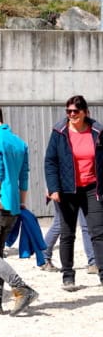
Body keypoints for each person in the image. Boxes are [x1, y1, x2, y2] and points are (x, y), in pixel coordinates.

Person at [0, 103, 38, 316]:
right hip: (13, 206)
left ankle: (21, 288)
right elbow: (24, 174)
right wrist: (21, 202)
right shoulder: (18, 142)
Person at [45, 95, 103, 291]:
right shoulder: (59, 131)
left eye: (75, 111)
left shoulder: (97, 131)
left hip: (92, 187)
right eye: (68, 111)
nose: (71, 115)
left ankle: (102, 272)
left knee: (97, 232)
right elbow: (50, 161)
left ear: (85, 112)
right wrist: (53, 188)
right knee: (67, 232)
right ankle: (68, 275)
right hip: (67, 189)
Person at [42, 201, 97, 274]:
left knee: (84, 224)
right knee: (61, 223)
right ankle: (93, 262)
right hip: (66, 192)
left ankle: (93, 262)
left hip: (75, 191)